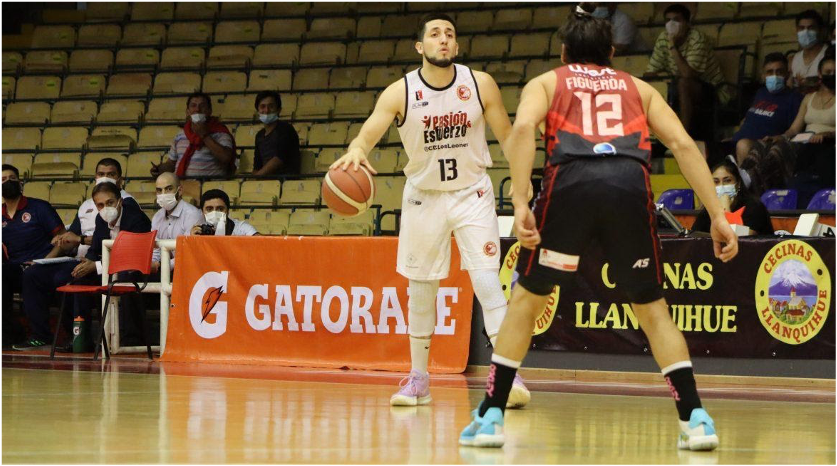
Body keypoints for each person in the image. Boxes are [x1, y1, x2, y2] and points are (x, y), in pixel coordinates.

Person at [458, 5, 738, 450]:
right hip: (628, 183)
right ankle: (695, 418)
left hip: (571, 182)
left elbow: (524, 128)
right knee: (652, 308)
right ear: (611, 52)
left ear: (564, 51)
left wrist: (520, 200)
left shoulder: (548, 81)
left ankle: (491, 414)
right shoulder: (639, 87)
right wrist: (718, 216)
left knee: (527, 299)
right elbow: (684, 143)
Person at [331, 13, 530, 408]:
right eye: (435, 34)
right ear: (420, 46)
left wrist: (523, 192)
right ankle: (419, 378)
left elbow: (509, 138)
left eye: (450, 34)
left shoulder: (479, 84)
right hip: (424, 197)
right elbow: (369, 132)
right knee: (422, 290)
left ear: (456, 47)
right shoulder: (399, 92)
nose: (444, 39)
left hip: (473, 192)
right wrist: (356, 149)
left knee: (489, 283)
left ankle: (507, 376)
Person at [14, 182, 151, 351]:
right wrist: (86, 264)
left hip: (131, 269)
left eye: (109, 203)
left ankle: (131, 338)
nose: (105, 208)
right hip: (106, 268)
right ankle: (79, 338)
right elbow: (94, 252)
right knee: (73, 277)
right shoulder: (100, 220)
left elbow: (131, 257)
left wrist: (95, 266)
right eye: (100, 205)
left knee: (123, 276)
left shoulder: (136, 219)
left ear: (120, 201)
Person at [751, 52, 836, 203]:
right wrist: (780, 137)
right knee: (762, 146)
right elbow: (794, 130)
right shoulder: (809, 98)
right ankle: (751, 185)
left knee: (777, 153)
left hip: (825, 144)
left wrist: (827, 134)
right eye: (828, 72)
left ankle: (773, 198)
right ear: (819, 74)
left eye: (835, 72)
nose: (832, 75)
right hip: (803, 140)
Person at [1, 164, 66, 349]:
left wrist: (42, 262)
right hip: (15, 267)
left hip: (46, 265)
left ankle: (41, 336)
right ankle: (10, 333)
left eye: (12, 178)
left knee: (31, 274)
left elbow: (63, 241)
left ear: (20, 183)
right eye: (3, 180)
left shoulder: (39, 207)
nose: (8, 182)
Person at [643, 3, 727, 138]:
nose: (671, 24)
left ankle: (683, 136)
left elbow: (688, 75)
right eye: (668, 20)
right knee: (651, 85)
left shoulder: (697, 38)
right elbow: (650, 72)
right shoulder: (662, 38)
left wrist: (672, 45)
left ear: (687, 23)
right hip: (679, 87)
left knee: (683, 83)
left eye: (676, 20)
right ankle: (653, 137)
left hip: (712, 90)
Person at [730, 53, 804, 166]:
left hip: (762, 147)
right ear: (763, 76)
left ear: (788, 75)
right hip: (737, 141)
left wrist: (781, 138)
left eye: (779, 72)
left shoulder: (794, 98)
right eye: (769, 72)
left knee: (742, 144)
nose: (774, 76)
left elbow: (793, 131)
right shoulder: (760, 93)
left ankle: (744, 182)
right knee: (698, 146)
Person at [53, 158, 135, 258]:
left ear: (120, 179)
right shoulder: (86, 205)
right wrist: (63, 240)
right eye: (101, 174)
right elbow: (73, 236)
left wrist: (80, 239)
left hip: (107, 261)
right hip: (82, 259)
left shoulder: (126, 203)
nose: (105, 178)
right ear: (95, 177)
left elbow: (112, 240)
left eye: (111, 174)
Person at [150, 92, 236, 178]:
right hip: (183, 186)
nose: (197, 110)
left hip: (210, 187)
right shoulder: (180, 136)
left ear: (209, 111)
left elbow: (226, 158)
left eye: (202, 106)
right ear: (188, 112)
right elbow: (171, 163)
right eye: (193, 106)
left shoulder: (220, 133)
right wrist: (159, 169)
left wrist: (204, 136)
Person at [691, 159, 774, 236]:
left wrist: (725, 209)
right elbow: (694, 235)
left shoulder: (754, 207)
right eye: (716, 182)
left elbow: (738, 240)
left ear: (738, 184)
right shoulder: (709, 209)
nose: (721, 186)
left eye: (727, 181)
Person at [150, 172, 204, 274]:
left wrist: (163, 266)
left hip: (191, 270)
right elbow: (156, 250)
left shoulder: (193, 215)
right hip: (165, 270)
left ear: (180, 191)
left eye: (169, 189)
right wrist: (153, 263)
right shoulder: (157, 217)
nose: (163, 194)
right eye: (159, 190)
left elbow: (189, 251)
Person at [253, 91, 301, 176]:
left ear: (279, 110)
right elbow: (257, 164)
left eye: (271, 106)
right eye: (262, 107)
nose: (266, 110)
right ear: (258, 111)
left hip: (285, 182)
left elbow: (279, 159)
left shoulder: (286, 129)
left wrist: (258, 176)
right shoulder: (259, 136)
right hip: (264, 182)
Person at [191, 189, 259, 236]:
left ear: (228, 211)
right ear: (202, 212)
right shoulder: (200, 231)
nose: (214, 212)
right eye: (209, 209)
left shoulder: (242, 229)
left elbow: (263, 242)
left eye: (220, 209)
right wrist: (192, 241)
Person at [790, 10, 828, 93]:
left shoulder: (829, 55)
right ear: (797, 30)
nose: (806, 32)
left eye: (811, 28)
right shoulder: (794, 59)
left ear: (820, 30)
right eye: (802, 28)